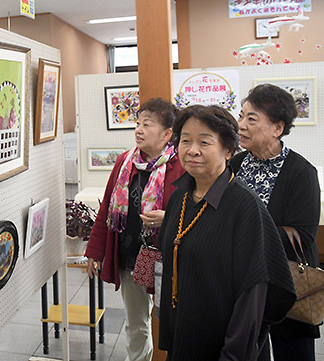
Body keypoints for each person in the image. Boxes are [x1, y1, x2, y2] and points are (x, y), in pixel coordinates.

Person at [158, 105, 295, 361]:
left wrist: (233, 354)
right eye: (185, 141)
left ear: (228, 150)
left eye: (205, 142)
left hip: (225, 346)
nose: (192, 150)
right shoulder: (180, 197)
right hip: (184, 335)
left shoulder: (245, 207)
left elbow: (252, 296)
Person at [85, 98, 185, 361]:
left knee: (174, 320)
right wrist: (95, 252)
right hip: (131, 255)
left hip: (170, 260)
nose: (139, 130)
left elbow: (196, 213)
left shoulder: (182, 166)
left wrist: (169, 218)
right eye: (138, 123)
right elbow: (107, 208)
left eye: (147, 125)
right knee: (136, 323)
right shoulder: (124, 161)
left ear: (167, 134)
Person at [231, 84, 321, 361]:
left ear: (277, 128)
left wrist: (244, 232)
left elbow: (303, 235)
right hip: (242, 280)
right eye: (241, 116)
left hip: (286, 280)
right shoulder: (235, 164)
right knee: (248, 350)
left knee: (292, 352)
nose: (241, 125)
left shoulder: (301, 171)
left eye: (251, 119)